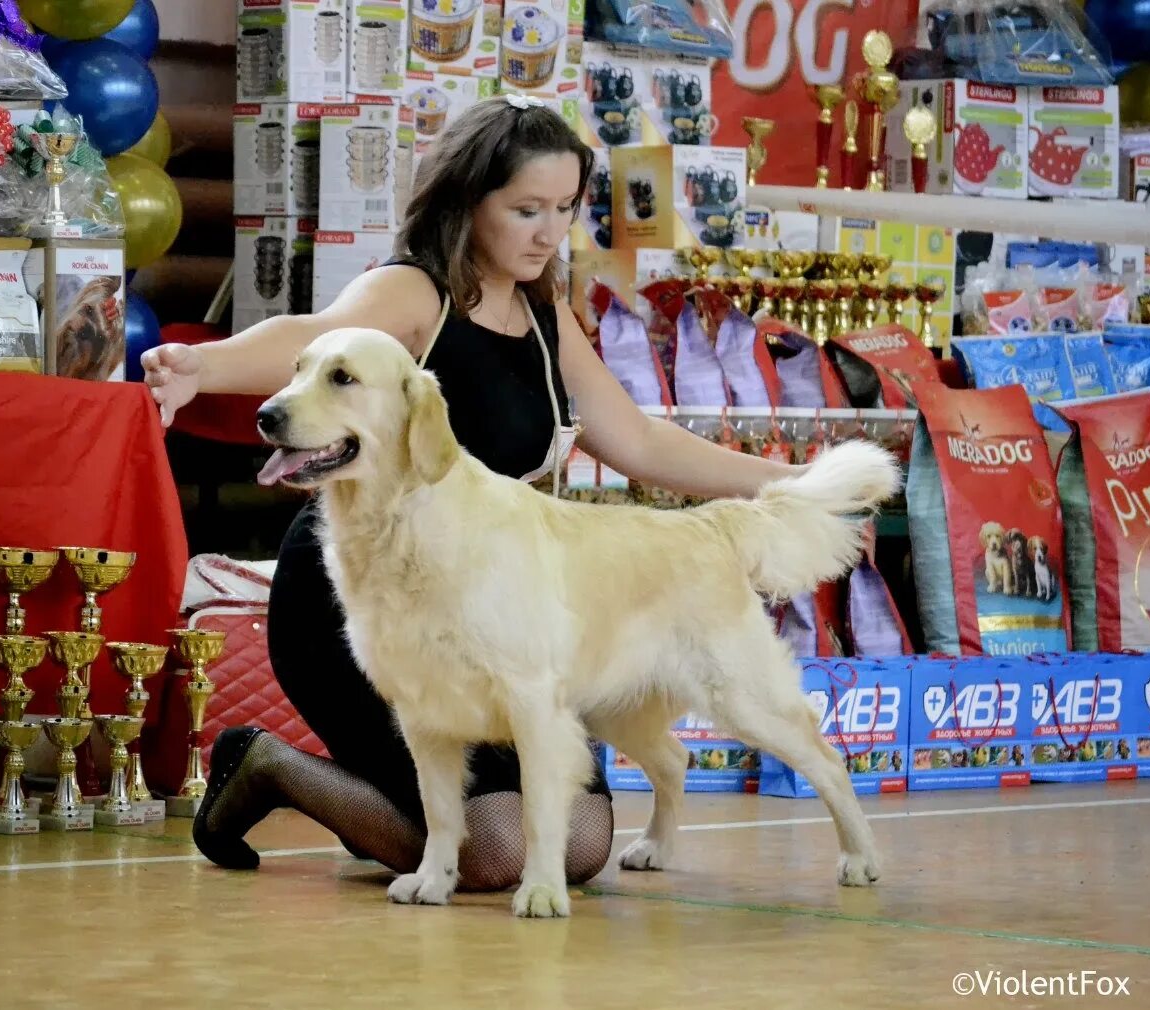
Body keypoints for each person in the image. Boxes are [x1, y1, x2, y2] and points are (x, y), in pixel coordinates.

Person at [142, 94, 806, 890]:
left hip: (488, 610)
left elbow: (639, 442)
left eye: (564, 208)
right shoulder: (414, 292)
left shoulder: (542, 310)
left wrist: (794, 485)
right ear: (469, 199)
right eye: (526, 208)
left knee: (581, 841)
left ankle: (365, 808)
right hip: (362, 600)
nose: (548, 231)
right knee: (497, 852)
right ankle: (273, 769)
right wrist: (201, 365)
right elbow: (311, 339)